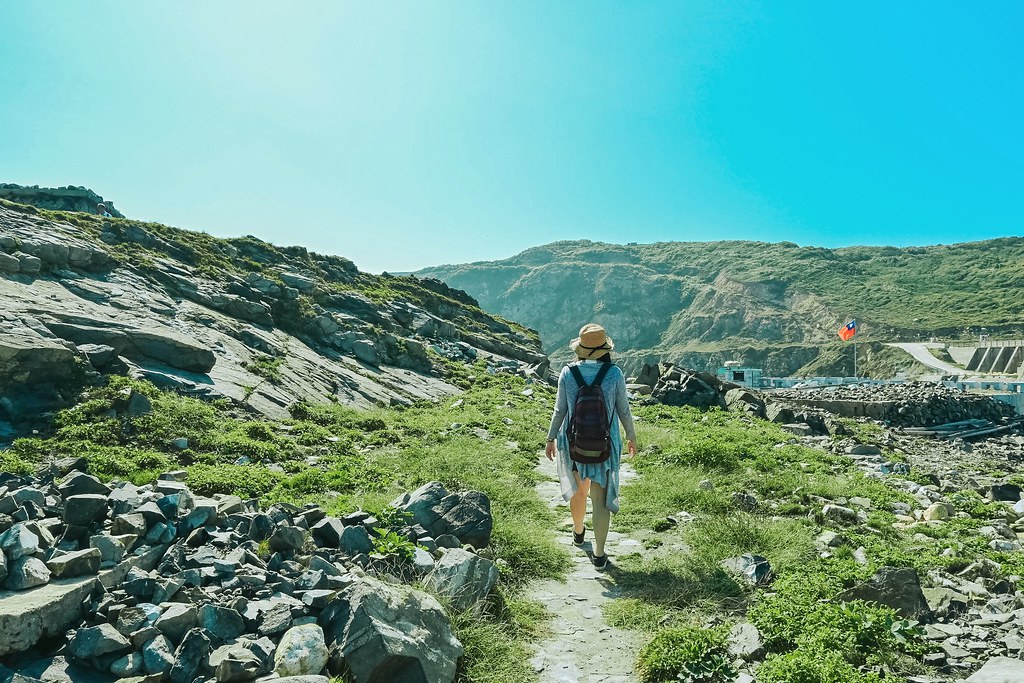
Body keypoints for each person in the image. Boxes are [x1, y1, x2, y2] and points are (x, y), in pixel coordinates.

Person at [545, 323, 637, 569]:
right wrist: (631, 436)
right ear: (604, 349)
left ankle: (578, 532)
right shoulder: (614, 374)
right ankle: (599, 554)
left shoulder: (568, 373)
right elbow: (623, 410)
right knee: (599, 498)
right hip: (604, 444)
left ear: (581, 349)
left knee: (578, 490)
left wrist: (550, 437)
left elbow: (560, 410)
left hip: (573, 442)